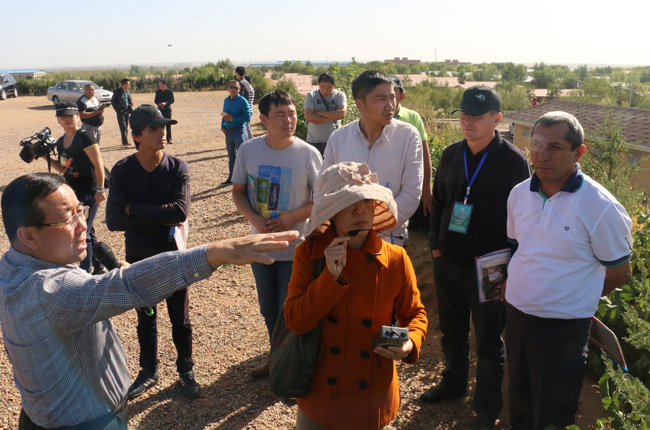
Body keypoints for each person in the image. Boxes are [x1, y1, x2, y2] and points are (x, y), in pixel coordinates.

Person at [0, 172, 297, 430]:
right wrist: (215, 252)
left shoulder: (12, 265)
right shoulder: (48, 291)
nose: (82, 225)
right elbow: (127, 285)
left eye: (81, 210)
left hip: (43, 416)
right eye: (68, 218)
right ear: (28, 235)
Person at [504, 111, 632, 430]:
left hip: (564, 329)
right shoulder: (518, 194)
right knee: (518, 401)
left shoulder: (600, 206)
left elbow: (620, 272)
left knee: (553, 413)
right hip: (518, 317)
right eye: (536, 144)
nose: (542, 154)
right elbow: (519, 248)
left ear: (579, 152)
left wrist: (578, 297)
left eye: (555, 146)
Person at [284, 161, 428, 430]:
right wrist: (329, 277)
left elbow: (415, 314)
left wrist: (410, 344)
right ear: (332, 212)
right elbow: (296, 321)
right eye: (348, 202)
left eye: (367, 201)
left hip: (372, 393)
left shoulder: (396, 258)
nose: (360, 209)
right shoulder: (309, 254)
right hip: (320, 395)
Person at [422, 85, 531, 430]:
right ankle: (453, 384)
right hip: (449, 262)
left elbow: (523, 220)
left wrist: (510, 268)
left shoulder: (514, 162)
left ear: (497, 119)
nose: (467, 121)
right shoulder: (453, 154)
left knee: (488, 341)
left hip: (490, 268)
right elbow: (439, 201)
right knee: (452, 332)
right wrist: (436, 248)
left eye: (476, 115)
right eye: (463, 114)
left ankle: (486, 408)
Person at [105, 104, 198, 400]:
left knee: (179, 318)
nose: (163, 133)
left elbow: (180, 211)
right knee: (145, 316)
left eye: (164, 127)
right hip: (139, 258)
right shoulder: (122, 170)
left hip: (174, 257)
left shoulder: (177, 167)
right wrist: (161, 215)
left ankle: (186, 369)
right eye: (155, 129)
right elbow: (113, 220)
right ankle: (148, 370)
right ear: (136, 135)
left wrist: (135, 209)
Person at [232, 90, 322, 377]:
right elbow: (238, 191)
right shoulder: (248, 150)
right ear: (263, 119)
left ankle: (292, 366)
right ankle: (276, 360)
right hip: (260, 246)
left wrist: (290, 219)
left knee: (290, 310)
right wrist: (255, 220)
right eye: (280, 114)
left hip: (296, 248)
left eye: (292, 113)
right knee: (268, 308)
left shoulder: (308, 154)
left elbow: (320, 199)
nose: (289, 120)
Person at [319, 70, 423, 247]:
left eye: (392, 97)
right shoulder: (339, 139)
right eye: (381, 99)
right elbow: (322, 187)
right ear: (360, 105)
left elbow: (412, 192)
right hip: (347, 243)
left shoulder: (408, 136)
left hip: (391, 242)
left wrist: (372, 227)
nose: (390, 105)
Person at [44, 102, 106, 275]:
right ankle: (100, 265)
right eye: (63, 116)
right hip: (74, 193)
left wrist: (100, 190)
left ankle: (85, 273)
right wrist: (44, 156)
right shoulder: (61, 142)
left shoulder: (84, 137)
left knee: (81, 231)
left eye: (71, 115)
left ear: (78, 116)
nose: (67, 119)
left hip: (90, 191)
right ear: (58, 120)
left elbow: (98, 164)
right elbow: (64, 169)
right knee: (88, 230)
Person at [392, 75, 433, 228]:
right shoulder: (375, 118)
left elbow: (425, 155)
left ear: (401, 96)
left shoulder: (412, 118)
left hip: (409, 183)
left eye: (392, 94)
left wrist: (426, 189)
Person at [304, 71, 347, 156]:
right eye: (322, 87)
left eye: (328, 87)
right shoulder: (311, 95)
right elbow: (309, 118)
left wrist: (319, 113)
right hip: (314, 141)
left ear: (334, 85)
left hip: (334, 141)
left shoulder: (340, 95)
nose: (325, 90)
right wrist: (333, 116)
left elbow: (341, 114)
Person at [221, 80, 251, 186]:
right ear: (228, 88)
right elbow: (224, 115)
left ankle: (247, 178)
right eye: (231, 87)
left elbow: (247, 117)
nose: (233, 89)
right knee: (231, 157)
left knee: (242, 156)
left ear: (239, 89)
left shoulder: (243, 101)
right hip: (228, 133)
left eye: (235, 87)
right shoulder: (226, 100)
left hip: (239, 132)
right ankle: (232, 178)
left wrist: (233, 119)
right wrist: (222, 126)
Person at [111, 78, 133, 146]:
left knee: (126, 125)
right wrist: (117, 110)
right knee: (123, 126)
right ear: (123, 84)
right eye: (128, 84)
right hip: (120, 110)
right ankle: (125, 141)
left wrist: (130, 104)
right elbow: (113, 101)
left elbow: (129, 100)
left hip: (127, 110)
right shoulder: (117, 91)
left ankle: (125, 141)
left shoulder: (128, 91)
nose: (129, 85)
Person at [235, 66, 255, 140]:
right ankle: (251, 141)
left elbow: (241, 97)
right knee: (247, 127)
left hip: (242, 109)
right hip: (247, 107)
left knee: (244, 127)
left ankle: (248, 142)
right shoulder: (246, 82)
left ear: (237, 73)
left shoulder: (240, 83)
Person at [154, 79, 175, 144]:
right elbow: (155, 100)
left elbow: (172, 100)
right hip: (160, 110)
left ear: (164, 85)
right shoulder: (158, 92)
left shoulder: (169, 91)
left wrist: (165, 103)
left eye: (160, 84)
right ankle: (160, 139)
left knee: (168, 125)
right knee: (160, 125)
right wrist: (159, 104)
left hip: (167, 110)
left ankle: (169, 139)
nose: (159, 86)